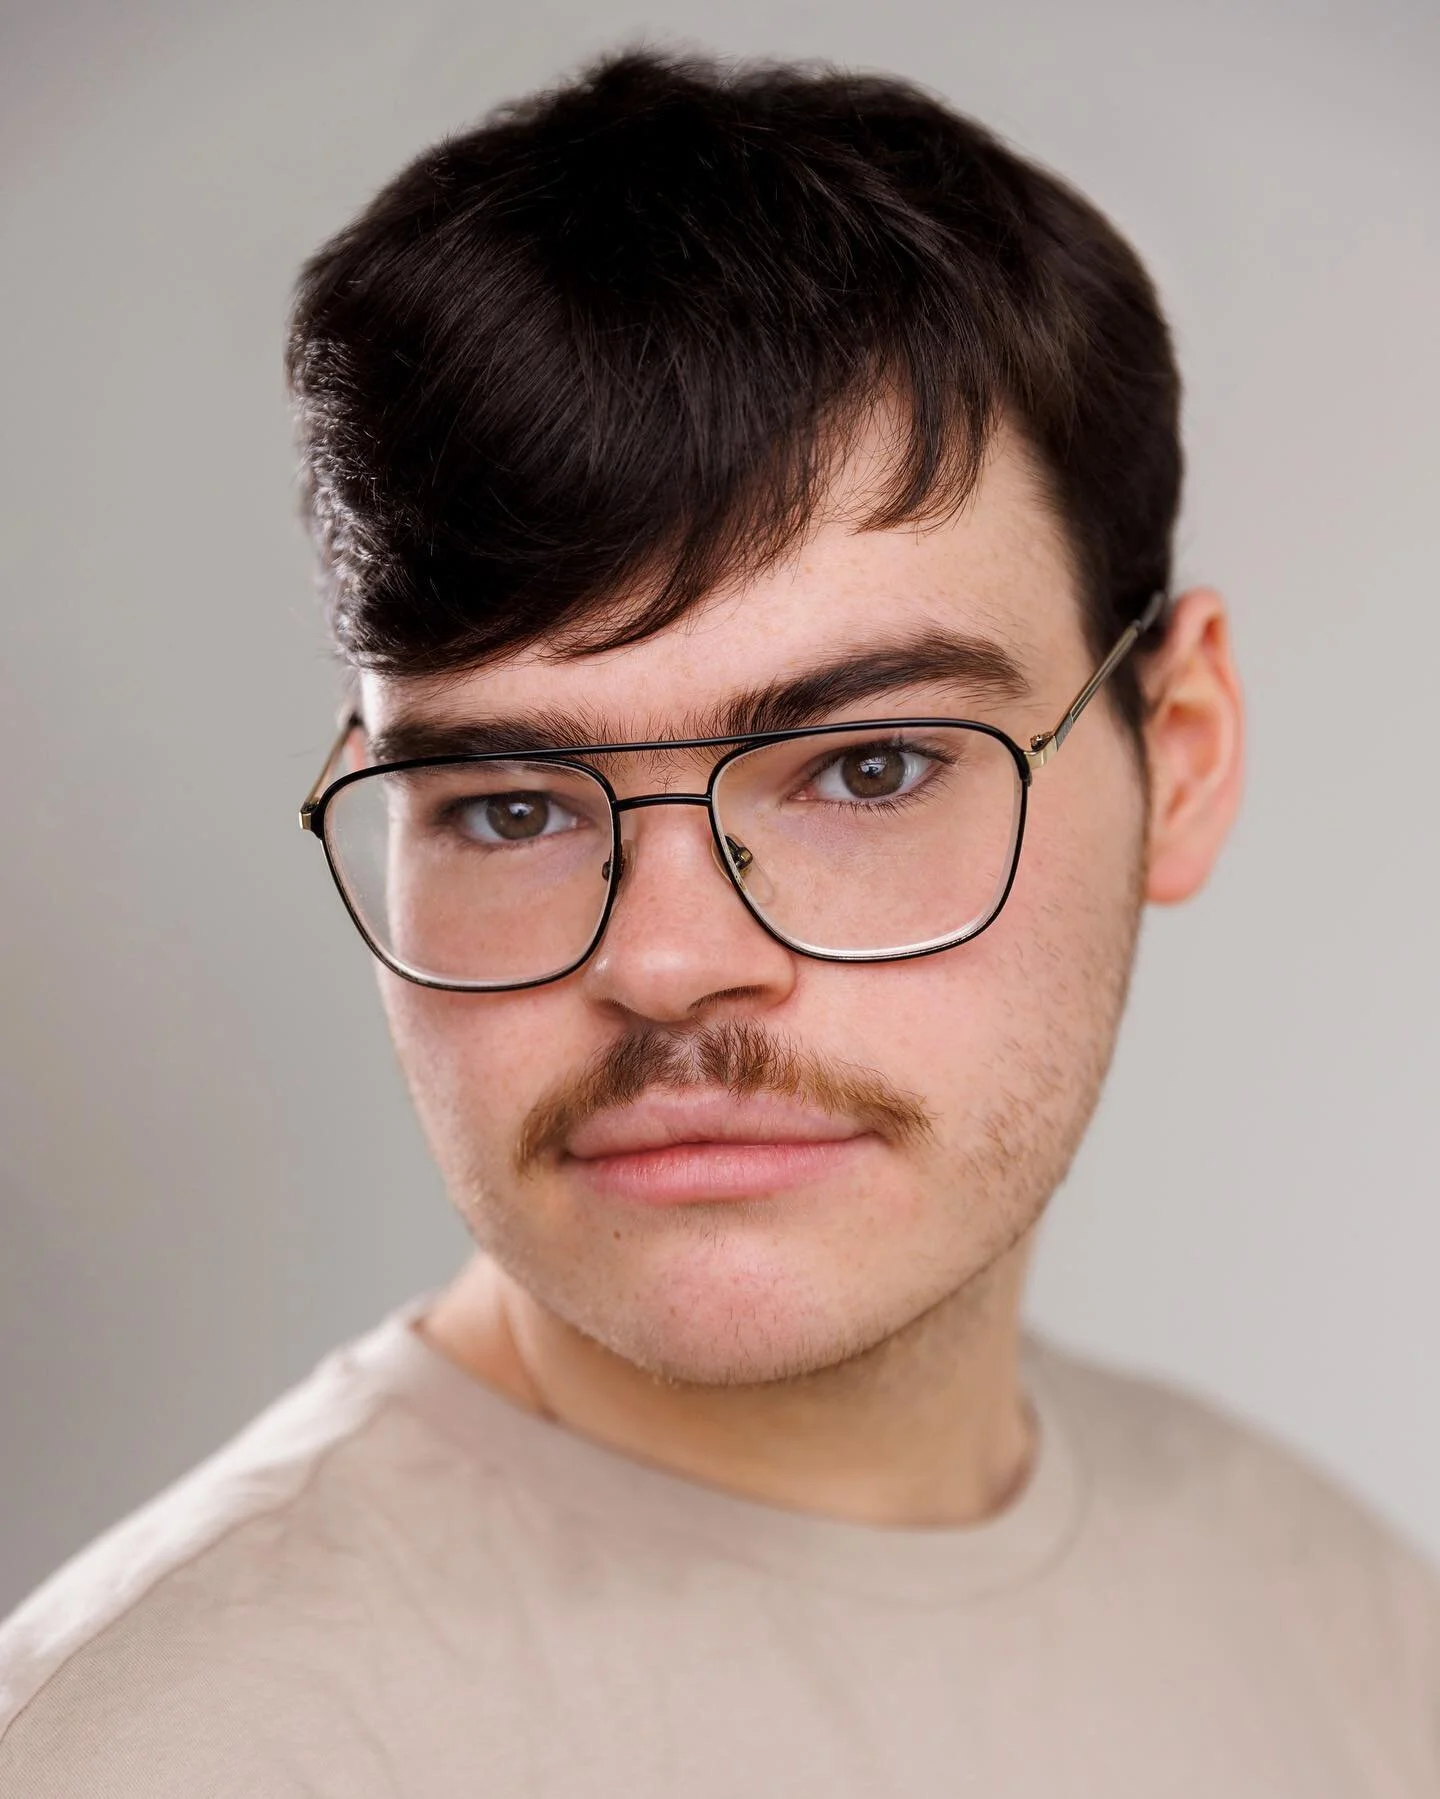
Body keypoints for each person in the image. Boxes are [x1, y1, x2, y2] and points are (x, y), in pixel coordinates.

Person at [1, 46, 1435, 1798]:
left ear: (1183, 758)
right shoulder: (161, 1751)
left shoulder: (1351, 1632)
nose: (666, 963)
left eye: (872, 767)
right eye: (512, 805)